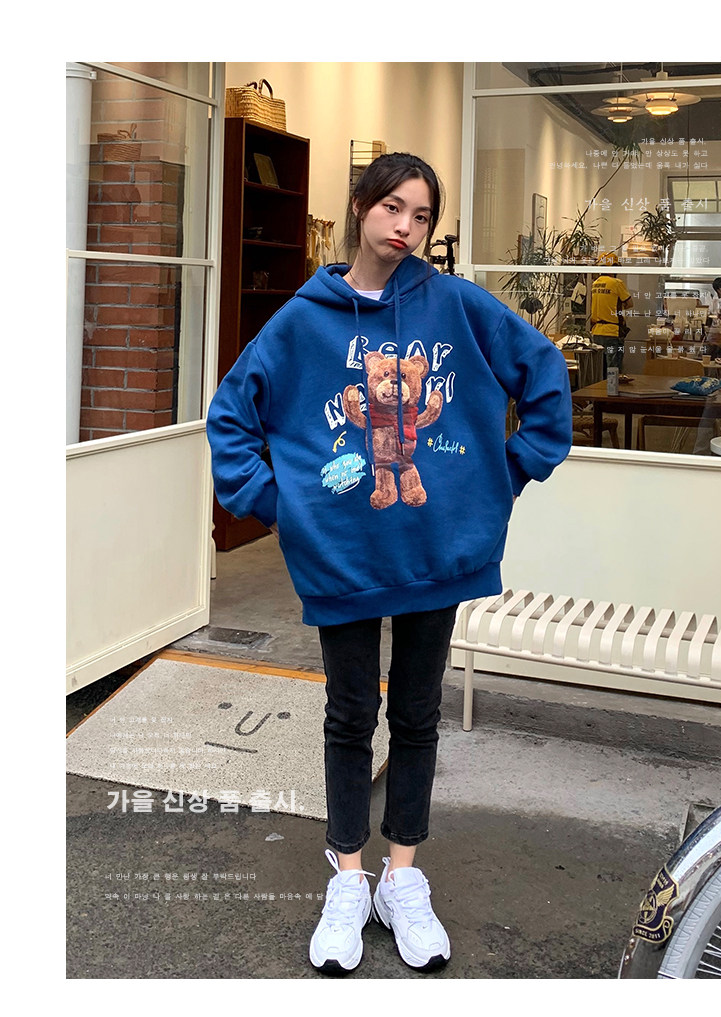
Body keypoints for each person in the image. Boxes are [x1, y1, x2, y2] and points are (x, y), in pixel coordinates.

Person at [206, 152, 572, 976]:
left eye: (422, 216)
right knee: (348, 715)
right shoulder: (303, 319)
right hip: (342, 557)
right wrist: (280, 507)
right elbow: (230, 416)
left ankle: (402, 876)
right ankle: (348, 876)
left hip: (436, 552)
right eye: (393, 207)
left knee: (415, 714)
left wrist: (504, 476)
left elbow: (545, 376)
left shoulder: (458, 307)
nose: (406, 227)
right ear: (360, 206)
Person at [590, 252, 633, 373]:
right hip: (612, 332)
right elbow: (630, 303)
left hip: (597, 332)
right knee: (613, 370)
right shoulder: (616, 283)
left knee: (599, 371)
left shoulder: (595, 283)